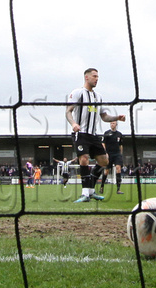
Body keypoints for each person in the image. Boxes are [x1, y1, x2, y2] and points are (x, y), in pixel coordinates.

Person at [66, 68, 126, 203]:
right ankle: (85, 193)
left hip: (93, 135)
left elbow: (104, 116)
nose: (97, 79)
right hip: (80, 133)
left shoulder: (98, 97)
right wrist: (74, 123)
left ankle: (91, 190)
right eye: (94, 76)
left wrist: (117, 117)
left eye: (98, 76)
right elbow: (68, 112)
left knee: (105, 161)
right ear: (86, 77)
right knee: (84, 159)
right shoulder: (77, 93)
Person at [99, 121, 124, 194]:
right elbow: (103, 144)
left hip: (117, 154)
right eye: (111, 123)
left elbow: (121, 145)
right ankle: (102, 186)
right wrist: (105, 153)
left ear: (116, 124)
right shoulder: (106, 133)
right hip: (109, 154)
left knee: (118, 169)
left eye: (113, 123)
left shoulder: (119, 134)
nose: (112, 125)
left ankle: (118, 189)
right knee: (106, 171)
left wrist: (120, 154)